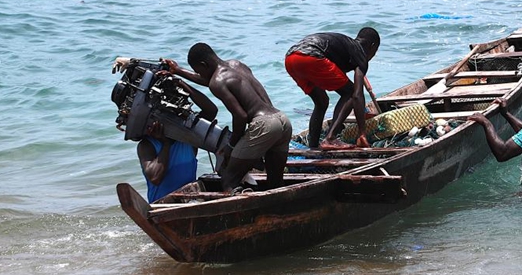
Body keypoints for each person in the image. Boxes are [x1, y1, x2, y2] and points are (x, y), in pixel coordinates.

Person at [163, 43, 292, 192]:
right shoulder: (237, 65)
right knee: (275, 182)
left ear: (204, 65)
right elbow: (210, 80)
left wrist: (231, 146)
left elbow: (240, 116)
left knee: (229, 179)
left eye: (199, 71)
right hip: (282, 120)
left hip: (264, 126)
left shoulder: (216, 82)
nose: (200, 75)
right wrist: (178, 71)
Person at [284, 27, 380, 150]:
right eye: (375, 51)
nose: (372, 56)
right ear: (372, 46)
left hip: (291, 58)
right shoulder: (360, 52)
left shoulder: (346, 46)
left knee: (321, 102)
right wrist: (362, 133)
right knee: (350, 92)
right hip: (312, 56)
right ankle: (330, 138)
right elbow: (356, 95)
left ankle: (313, 147)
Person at [137, 79, 218, 203]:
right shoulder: (147, 145)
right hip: (162, 206)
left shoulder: (188, 136)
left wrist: (183, 85)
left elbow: (211, 111)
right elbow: (155, 178)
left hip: (191, 203)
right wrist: (165, 144)